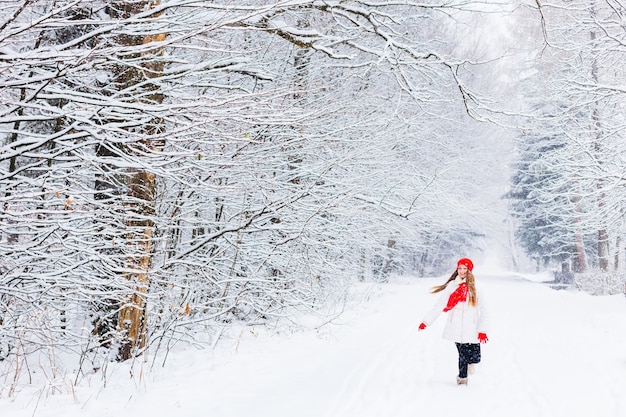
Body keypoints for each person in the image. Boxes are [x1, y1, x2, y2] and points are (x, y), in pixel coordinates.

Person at [418, 257, 489, 385]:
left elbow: (485, 309)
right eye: (460, 268)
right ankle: (462, 379)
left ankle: (470, 364)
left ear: (470, 270)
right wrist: (426, 321)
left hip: (472, 327)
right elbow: (439, 305)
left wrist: (482, 330)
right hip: (455, 326)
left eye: (464, 268)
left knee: (475, 357)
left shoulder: (478, 286)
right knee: (462, 354)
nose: (462, 271)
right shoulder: (452, 286)